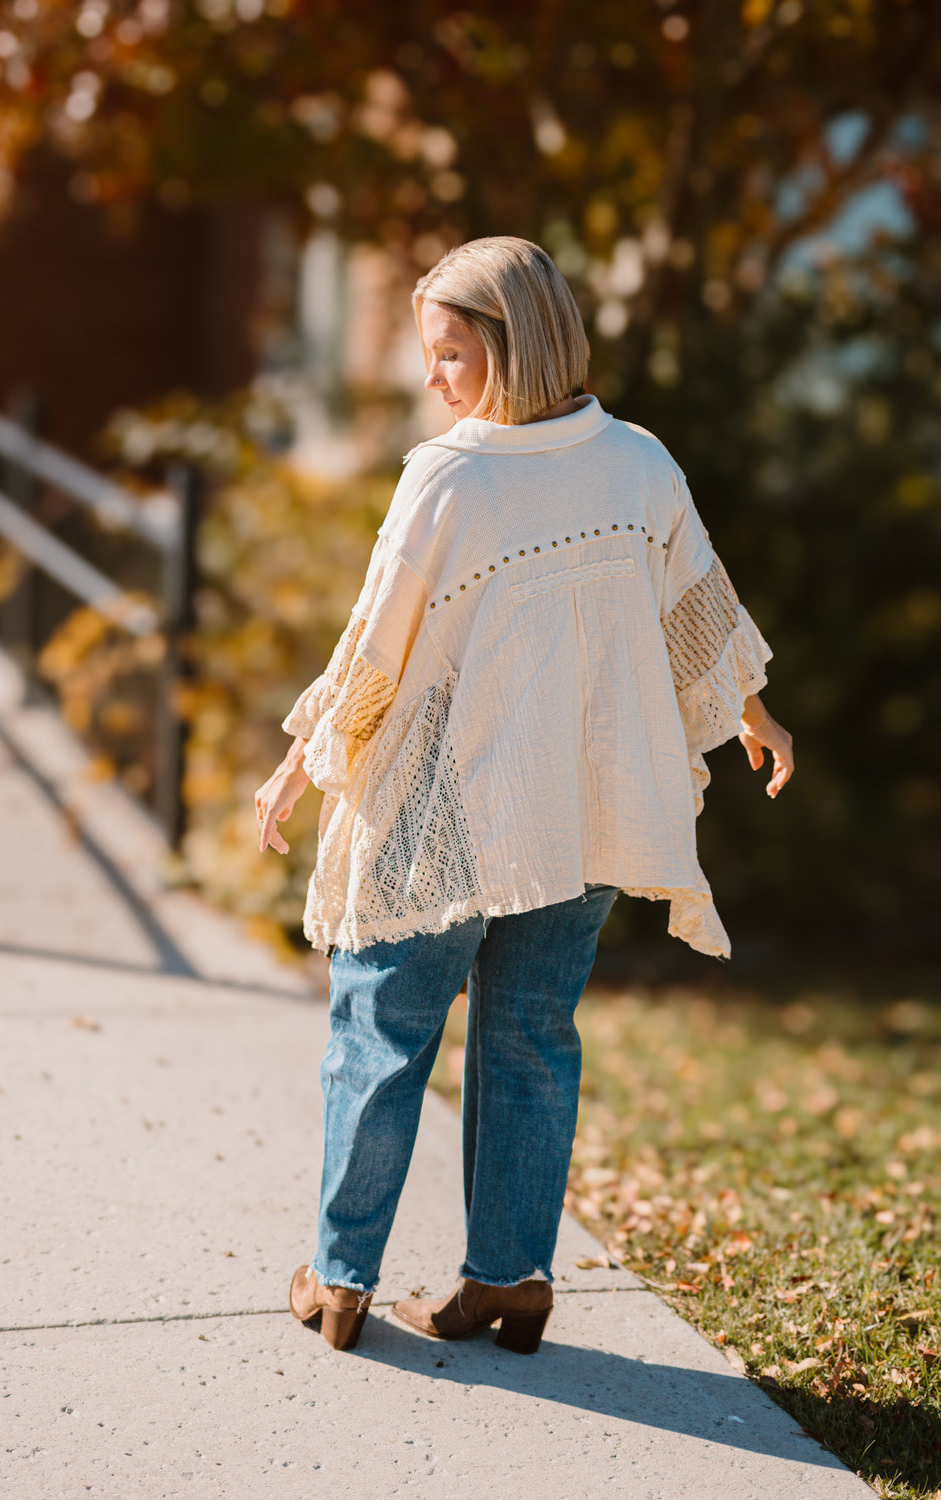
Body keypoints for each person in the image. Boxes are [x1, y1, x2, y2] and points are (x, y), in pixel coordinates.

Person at [254, 236, 794, 1355]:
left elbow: (377, 649)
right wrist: (752, 712)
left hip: (449, 817)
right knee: (531, 1035)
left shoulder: (450, 475)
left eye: (451, 353)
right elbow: (698, 607)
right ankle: (510, 1280)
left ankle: (342, 1280)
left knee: (382, 1030)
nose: (433, 377)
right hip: (578, 816)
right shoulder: (638, 463)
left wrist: (303, 760)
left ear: (517, 344)